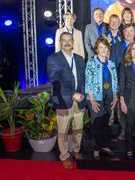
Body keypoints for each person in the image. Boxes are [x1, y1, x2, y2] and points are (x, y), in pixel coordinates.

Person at [47, 32, 86, 170]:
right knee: (63, 131)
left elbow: (83, 80)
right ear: (60, 42)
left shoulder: (80, 59)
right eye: (64, 40)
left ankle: (75, 150)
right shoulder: (53, 59)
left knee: (78, 129)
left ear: (73, 41)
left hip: (79, 101)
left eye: (69, 40)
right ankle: (64, 156)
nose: (67, 43)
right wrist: (72, 94)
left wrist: (82, 95)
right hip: (63, 101)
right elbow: (55, 82)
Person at [85, 37, 118, 159]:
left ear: (108, 48)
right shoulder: (91, 62)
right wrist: (92, 100)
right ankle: (96, 148)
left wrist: (115, 98)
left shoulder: (111, 64)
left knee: (105, 123)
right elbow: (88, 82)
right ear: (96, 49)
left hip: (109, 97)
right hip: (96, 98)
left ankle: (104, 145)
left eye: (105, 47)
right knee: (96, 124)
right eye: (100, 47)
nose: (103, 50)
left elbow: (115, 82)